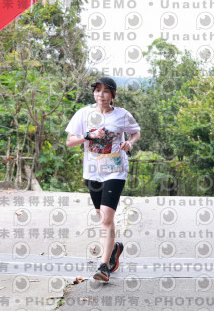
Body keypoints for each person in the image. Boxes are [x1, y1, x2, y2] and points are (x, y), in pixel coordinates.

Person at [65, 76, 141, 282]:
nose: (101, 95)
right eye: (97, 90)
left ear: (113, 95)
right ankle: (114, 248)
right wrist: (89, 136)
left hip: (116, 171)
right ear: (93, 93)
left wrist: (130, 143)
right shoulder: (83, 114)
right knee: (101, 216)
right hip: (92, 171)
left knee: (107, 217)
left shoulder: (122, 115)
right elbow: (70, 141)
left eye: (106, 91)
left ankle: (103, 266)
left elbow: (135, 132)